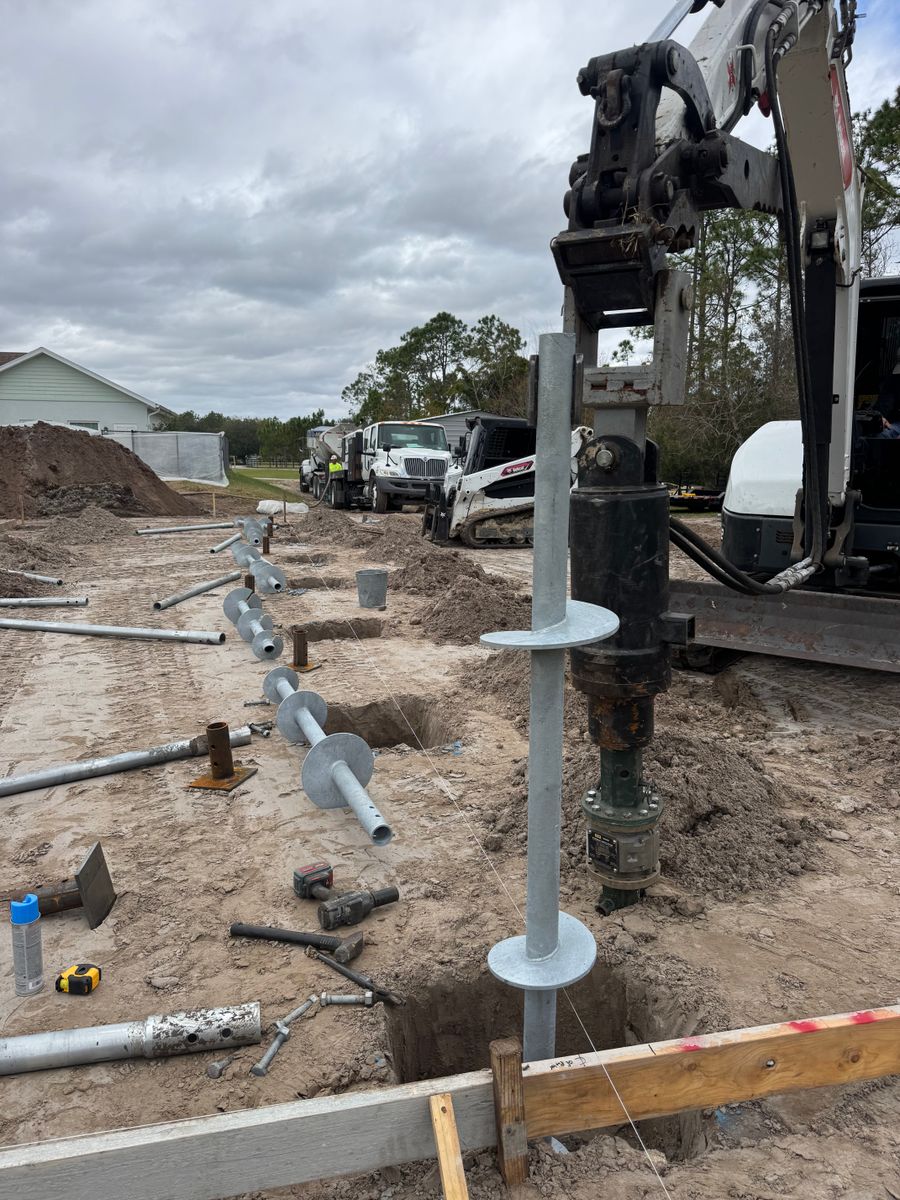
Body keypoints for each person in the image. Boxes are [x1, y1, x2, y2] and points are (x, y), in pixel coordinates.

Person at [876, 347, 900, 439]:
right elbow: (883, 406)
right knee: (881, 435)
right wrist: (880, 417)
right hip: (892, 424)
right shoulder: (892, 383)